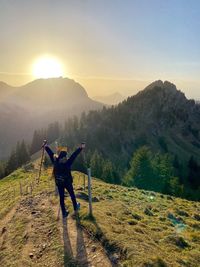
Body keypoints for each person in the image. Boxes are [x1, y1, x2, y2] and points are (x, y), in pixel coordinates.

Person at [43, 141, 86, 218]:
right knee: (72, 194)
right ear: (65, 156)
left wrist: (46, 146)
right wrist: (81, 148)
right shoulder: (68, 162)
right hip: (67, 182)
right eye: (66, 155)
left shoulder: (55, 161)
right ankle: (75, 207)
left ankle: (64, 213)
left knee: (62, 197)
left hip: (59, 182)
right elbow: (74, 155)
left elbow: (50, 154)